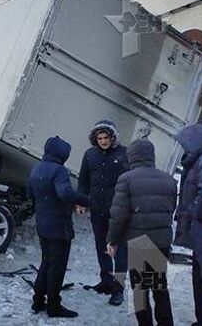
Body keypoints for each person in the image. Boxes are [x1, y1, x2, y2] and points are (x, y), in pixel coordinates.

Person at [106, 139, 177, 326]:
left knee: (140, 291)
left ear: (132, 157)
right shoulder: (168, 179)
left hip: (139, 241)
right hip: (161, 242)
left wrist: (112, 240)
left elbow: (118, 215)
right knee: (159, 287)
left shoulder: (126, 179)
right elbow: (171, 208)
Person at [27, 136, 90, 318]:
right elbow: (64, 193)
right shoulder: (59, 170)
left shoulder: (36, 168)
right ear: (62, 154)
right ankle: (54, 306)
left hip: (43, 224)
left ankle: (38, 302)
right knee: (57, 267)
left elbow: (30, 192)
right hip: (58, 227)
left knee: (46, 262)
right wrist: (86, 201)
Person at [78, 120, 129, 305]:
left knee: (120, 250)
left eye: (106, 137)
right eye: (99, 138)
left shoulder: (124, 154)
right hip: (98, 209)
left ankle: (119, 289)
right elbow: (83, 180)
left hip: (119, 212)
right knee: (102, 247)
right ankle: (106, 282)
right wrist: (81, 202)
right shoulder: (90, 155)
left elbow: (131, 182)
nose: (103, 141)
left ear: (112, 137)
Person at [174, 124, 202, 326]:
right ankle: (201, 319)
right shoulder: (196, 161)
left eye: (186, 144)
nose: (184, 148)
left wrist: (192, 213)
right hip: (200, 233)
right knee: (199, 279)